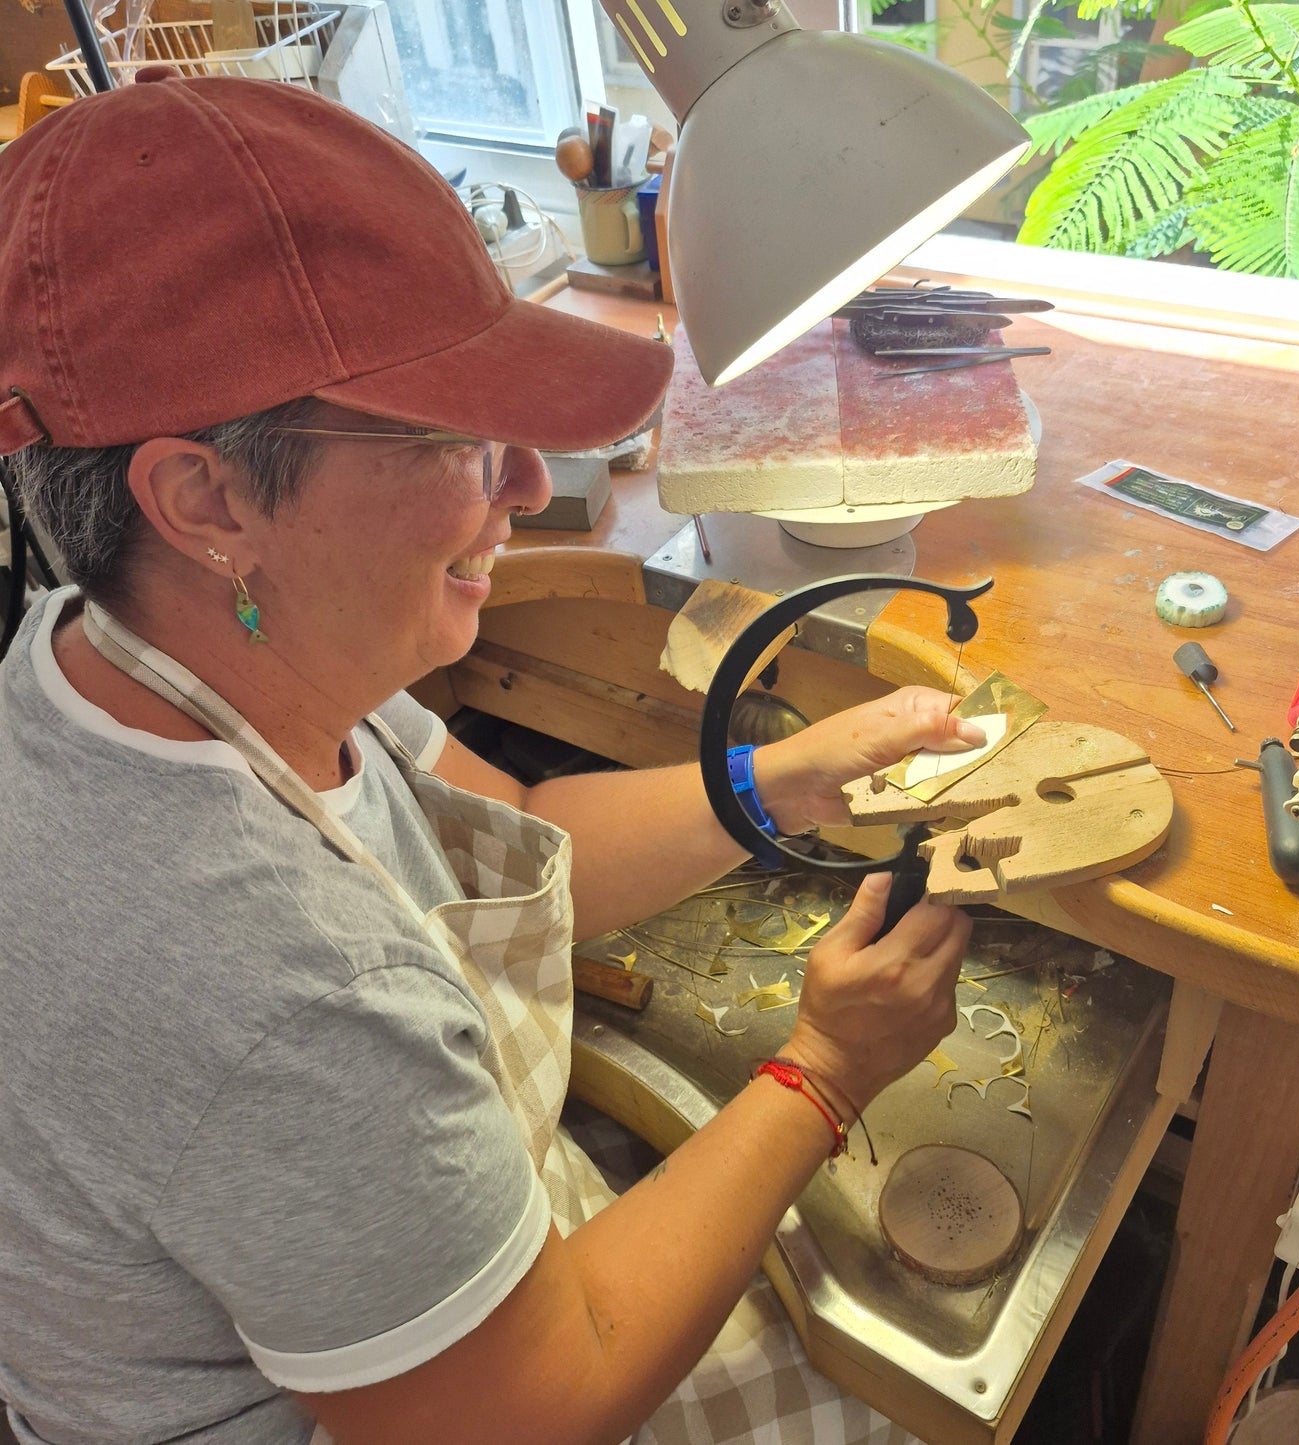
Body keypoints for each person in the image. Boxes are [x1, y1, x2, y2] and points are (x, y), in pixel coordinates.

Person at [0, 72, 984, 1445]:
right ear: (205, 499)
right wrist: (825, 1066)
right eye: (458, 442)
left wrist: (783, 782)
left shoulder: (147, 652)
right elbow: (531, 1409)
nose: (527, 486)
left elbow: (513, 829)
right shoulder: (274, 987)